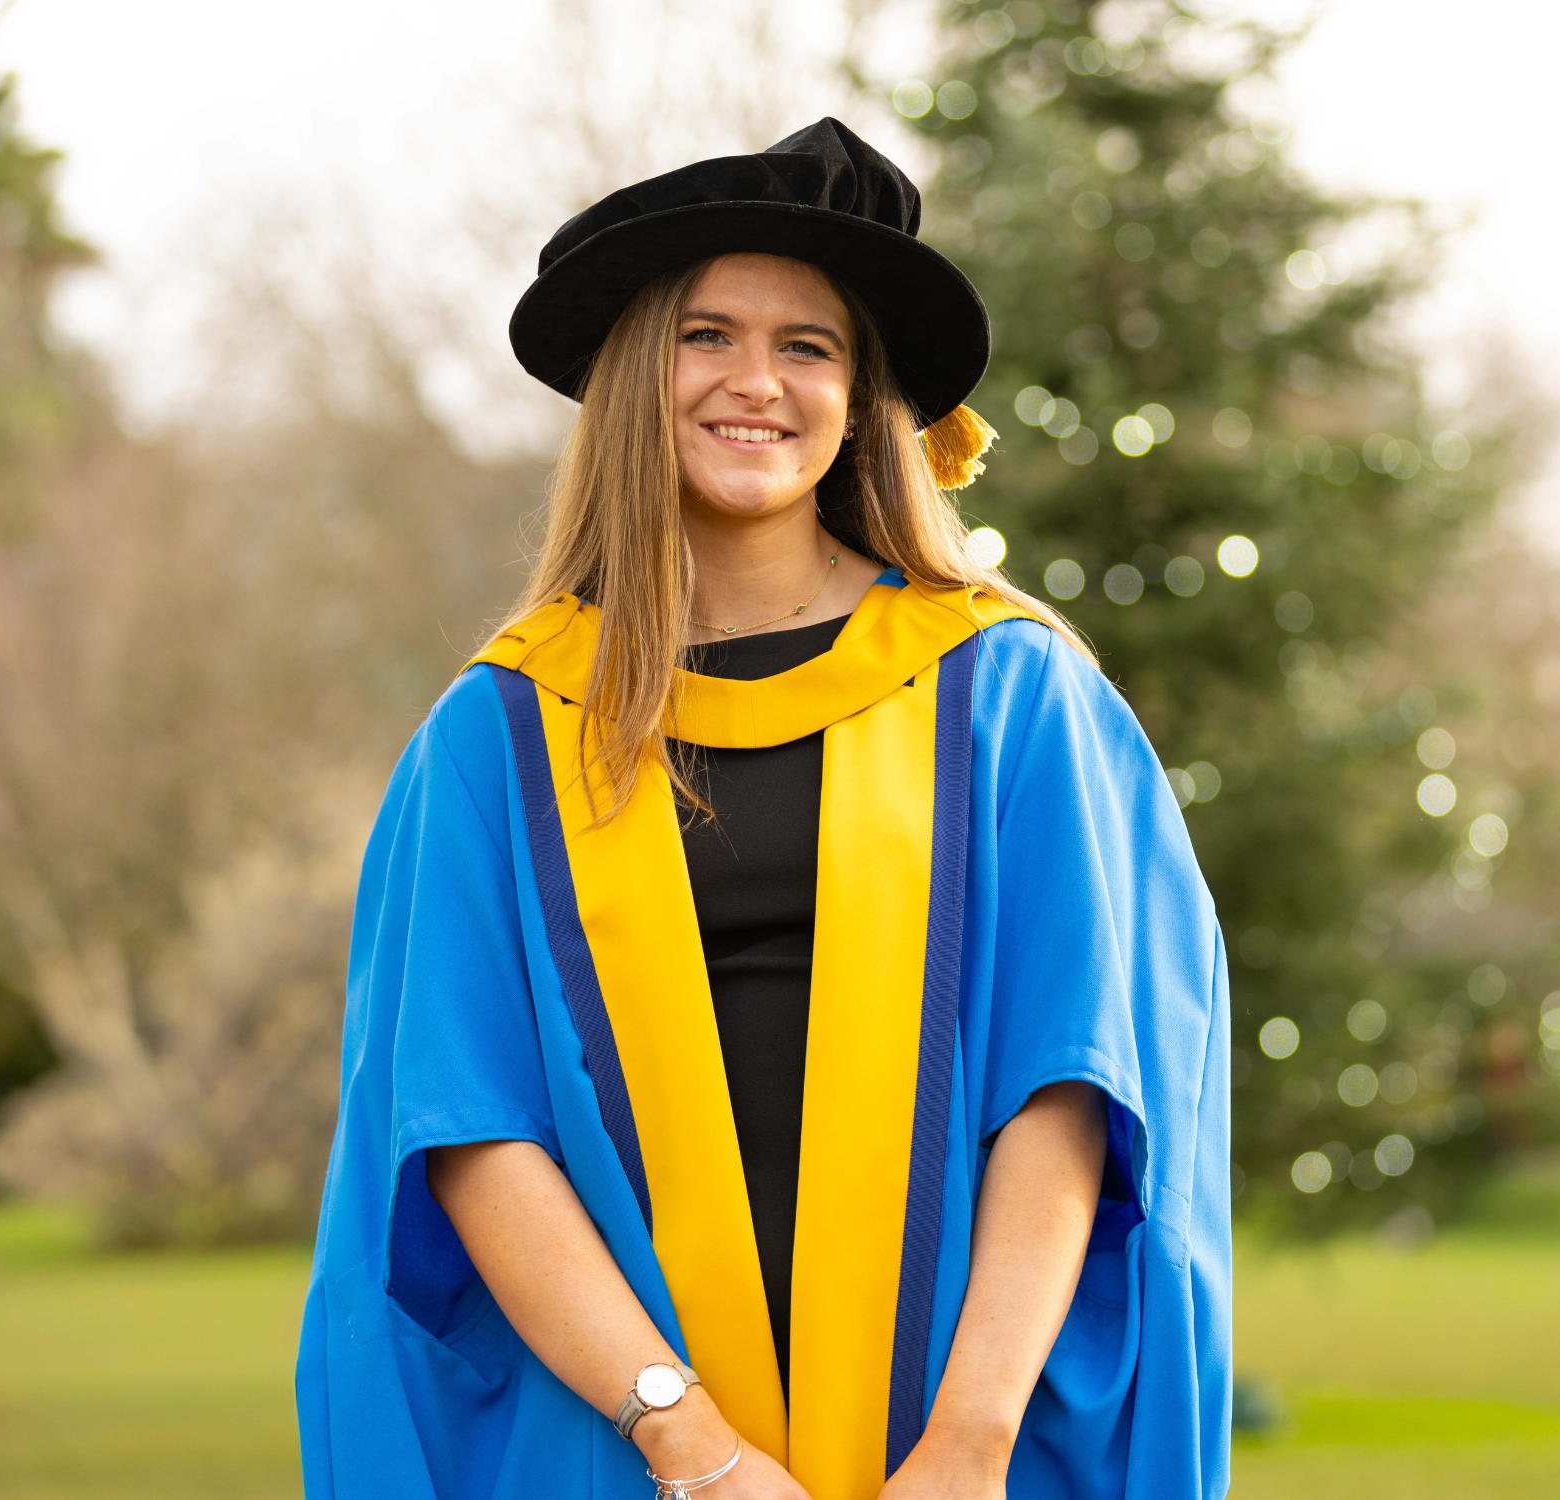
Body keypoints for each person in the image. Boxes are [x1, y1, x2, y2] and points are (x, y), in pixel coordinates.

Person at [295, 118, 1230, 1500]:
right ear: (631, 377)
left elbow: (1073, 1084)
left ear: (862, 400)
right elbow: (466, 1125)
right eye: (706, 336)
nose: (756, 382)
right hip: (621, 1441)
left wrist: (968, 1447)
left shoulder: (1007, 697)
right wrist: (692, 1446)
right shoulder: (499, 735)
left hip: (960, 1437)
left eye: (809, 346)